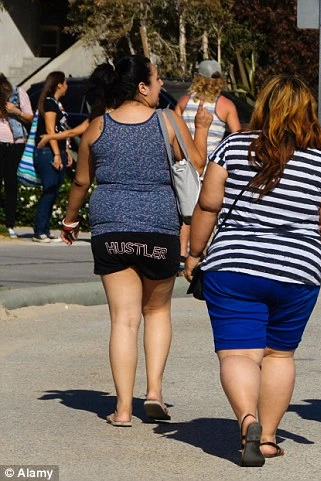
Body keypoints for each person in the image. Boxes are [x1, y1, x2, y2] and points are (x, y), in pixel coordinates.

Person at [185, 74, 321, 467]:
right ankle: (270, 438)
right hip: (298, 271)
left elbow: (208, 206)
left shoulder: (232, 147)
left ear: (263, 106)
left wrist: (194, 253)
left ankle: (247, 421)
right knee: (278, 355)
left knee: (238, 353)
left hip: (234, 265)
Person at [59, 55, 212, 427]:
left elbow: (81, 180)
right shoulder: (168, 120)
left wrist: (70, 218)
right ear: (142, 87)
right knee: (156, 312)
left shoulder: (98, 126)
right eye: (157, 79)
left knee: (123, 321)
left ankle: (124, 409)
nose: (161, 85)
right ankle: (154, 391)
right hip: (159, 229)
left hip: (111, 229)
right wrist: (202, 128)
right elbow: (197, 164)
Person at [174, 59, 241, 268]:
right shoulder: (225, 105)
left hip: (186, 164)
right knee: (207, 210)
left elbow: (174, 131)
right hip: (212, 167)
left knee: (186, 208)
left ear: (197, 78)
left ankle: (181, 253)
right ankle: (202, 252)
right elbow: (237, 137)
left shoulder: (183, 101)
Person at [31, 71, 73, 242]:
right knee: (49, 190)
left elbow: (61, 130)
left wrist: (66, 151)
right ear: (59, 84)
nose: (67, 86)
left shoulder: (57, 104)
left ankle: (45, 229)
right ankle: (39, 230)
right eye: (65, 83)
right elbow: (50, 130)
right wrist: (56, 154)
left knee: (54, 191)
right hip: (48, 151)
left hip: (59, 151)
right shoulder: (49, 103)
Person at [0, 73, 34, 238]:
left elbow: (30, 117)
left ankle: (10, 224)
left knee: (11, 185)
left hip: (16, 144)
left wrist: (15, 111)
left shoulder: (19, 93)